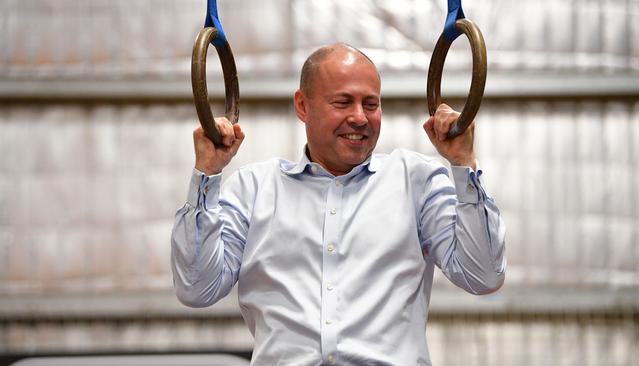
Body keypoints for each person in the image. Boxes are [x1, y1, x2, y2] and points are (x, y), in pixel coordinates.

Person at [171, 43, 506, 365]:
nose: (359, 117)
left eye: (371, 104)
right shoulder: (252, 190)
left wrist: (463, 164)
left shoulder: (416, 180)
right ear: (302, 106)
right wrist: (207, 174)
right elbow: (197, 289)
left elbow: (483, 276)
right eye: (343, 102)